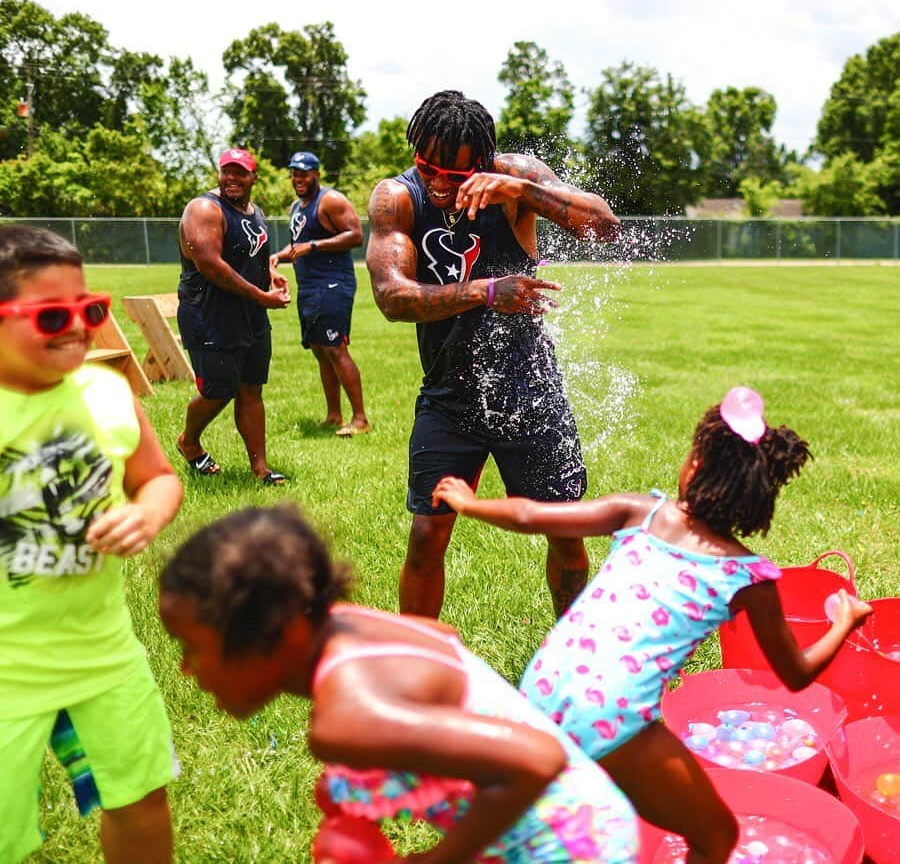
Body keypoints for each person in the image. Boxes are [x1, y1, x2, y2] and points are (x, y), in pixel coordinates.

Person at [433, 386, 874, 863]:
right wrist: (843, 621)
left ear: (695, 467)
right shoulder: (748, 577)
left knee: (548, 821)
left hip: (542, 685)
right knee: (717, 837)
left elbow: (530, 514)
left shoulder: (642, 512)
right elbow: (796, 674)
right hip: (608, 712)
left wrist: (469, 503)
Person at [159, 503, 639, 863]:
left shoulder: (344, 719)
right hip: (594, 817)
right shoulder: (351, 622)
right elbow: (442, 641)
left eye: (193, 647)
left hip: (572, 851)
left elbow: (538, 759)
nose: (186, 668)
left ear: (277, 630)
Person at [366, 89, 621, 620]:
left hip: (529, 389)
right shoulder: (398, 199)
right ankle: (420, 664)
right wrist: (486, 291)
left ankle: (574, 657)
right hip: (448, 398)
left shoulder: (514, 182)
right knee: (425, 537)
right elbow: (392, 297)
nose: (439, 184)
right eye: (427, 167)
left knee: (565, 533)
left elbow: (605, 227)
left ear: (482, 165)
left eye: (455, 176)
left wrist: (522, 188)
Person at [0, 225, 184, 863]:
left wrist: (147, 516)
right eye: (52, 315)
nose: (78, 328)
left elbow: (158, 478)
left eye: (90, 310)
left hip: (101, 654)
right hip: (5, 674)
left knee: (139, 798)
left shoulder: (108, 392)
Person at [176, 148, 291, 485]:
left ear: (254, 177)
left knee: (251, 388)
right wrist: (262, 297)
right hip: (210, 315)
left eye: (240, 172)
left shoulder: (255, 212)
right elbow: (211, 264)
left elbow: (252, 257)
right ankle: (189, 442)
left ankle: (261, 468)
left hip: (249, 315)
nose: (232, 179)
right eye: (227, 171)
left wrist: (270, 276)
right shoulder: (204, 209)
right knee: (218, 391)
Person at [270, 151, 371, 437]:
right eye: (294, 173)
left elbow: (355, 235)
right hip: (309, 287)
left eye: (303, 173)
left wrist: (313, 247)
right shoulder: (296, 207)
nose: (298, 179)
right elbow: (298, 247)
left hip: (333, 284)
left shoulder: (330, 200)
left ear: (316, 173)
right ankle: (334, 415)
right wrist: (278, 257)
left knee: (336, 348)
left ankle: (360, 419)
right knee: (319, 350)